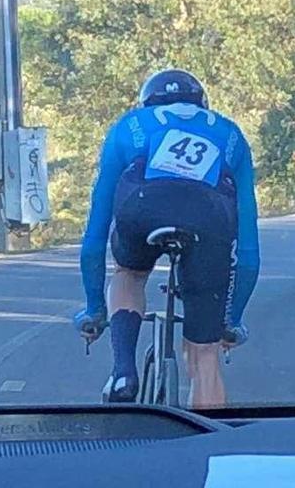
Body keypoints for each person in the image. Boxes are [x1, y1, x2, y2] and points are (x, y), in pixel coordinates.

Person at [74, 69, 260, 408]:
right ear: (203, 104)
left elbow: (96, 233)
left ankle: (122, 371)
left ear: (147, 101)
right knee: (205, 355)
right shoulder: (230, 133)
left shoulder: (131, 125)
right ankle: (208, 445)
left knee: (129, 274)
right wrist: (231, 321)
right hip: (211, 216)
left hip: (142, 206)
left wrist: (94, 310)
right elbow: (248, 250)